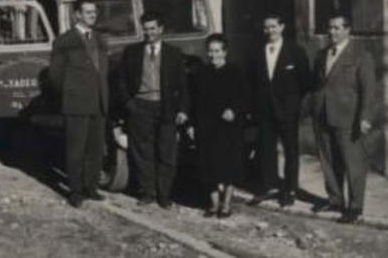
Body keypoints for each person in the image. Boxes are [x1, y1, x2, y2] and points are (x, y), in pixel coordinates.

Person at [116, 11, 188, 208]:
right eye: (145, 29)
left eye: (153, 29)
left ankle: (164, 195)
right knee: (142, 152)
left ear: (161, 29)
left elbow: (182, 84)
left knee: (167, 153)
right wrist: (129, 104)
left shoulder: (174, 53)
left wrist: (182, 109)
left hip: (166, 107)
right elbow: (121, 81)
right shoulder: (132, 52)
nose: (149, 33)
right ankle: (147, 192)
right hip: (141, 107)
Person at [311, 14, 377, 224]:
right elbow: (318, 84)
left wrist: (365, 117)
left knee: (353, 163)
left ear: (348, 30)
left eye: (338, 28)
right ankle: (336, 200)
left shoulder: (360, 55)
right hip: (322, 114)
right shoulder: (322, 54)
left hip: (348, 117)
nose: (333, 32)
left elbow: (369, 90)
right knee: (329, 160)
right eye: (330, 28)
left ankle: (355, 206)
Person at [48, 0, 110, 208]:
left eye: (94, 11)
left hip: (98, 103)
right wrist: (72, 95)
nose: (93, 15)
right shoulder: (65, 41)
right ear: (77, 15)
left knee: (95, 149)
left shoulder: (100, 39)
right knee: (76, 150)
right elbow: (55, 76)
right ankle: (75, 191)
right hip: (76, 105)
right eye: (88, 12)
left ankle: (90, 188)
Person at [248, 12, 311, 207]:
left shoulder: (295, 51)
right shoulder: (256, 52)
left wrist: (294, 105)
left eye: (273, 26)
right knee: (266, 149)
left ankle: (290, 189)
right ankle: (270, 186)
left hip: (287, 111)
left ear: (282, 27)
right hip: (265, 110)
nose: (270, 31)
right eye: (267, 27)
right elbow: (251, 82)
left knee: (291, 150)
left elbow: (305, 82)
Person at [187, 34, 248, 218]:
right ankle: (214, 204)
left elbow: (244, 97)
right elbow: (193, 102)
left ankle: (226, 204)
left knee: (229, 165)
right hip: (206, 127)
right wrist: (191, 124)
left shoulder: (235, 72)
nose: (213, 55)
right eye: (210, 51)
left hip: (228, 127)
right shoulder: (200, 74)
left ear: (225, 52)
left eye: (217, 51)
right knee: (207, 166)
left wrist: (234, 110)